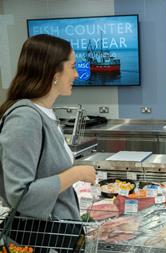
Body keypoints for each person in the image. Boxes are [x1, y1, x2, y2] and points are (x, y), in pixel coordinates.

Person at [0, 34, 96, 220]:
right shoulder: (24, 118)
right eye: (73, 67)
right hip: (42, 238)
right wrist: (76, 173)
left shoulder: (45, 113)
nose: (76, 74)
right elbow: (20, 196)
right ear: (54, 72)